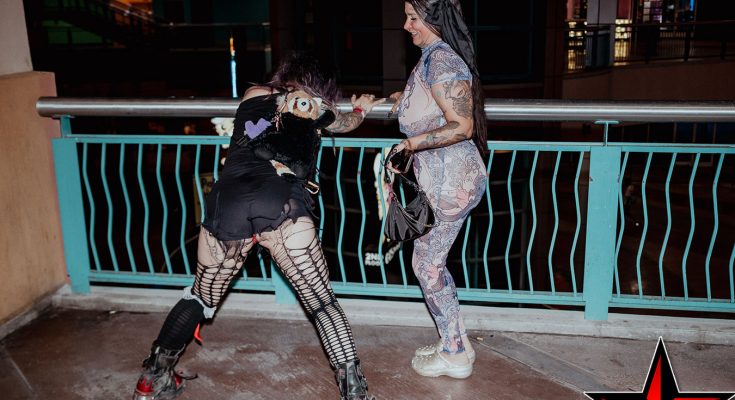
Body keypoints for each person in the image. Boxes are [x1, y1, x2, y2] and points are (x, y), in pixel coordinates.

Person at [132, 52, 384, 400]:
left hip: (228, 201)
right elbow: (344, 123)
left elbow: (256, 126)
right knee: (322, 302)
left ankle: (152, 378)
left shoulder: (252, 94)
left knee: (201, 295)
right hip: (281, 201)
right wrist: (360, 109)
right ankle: (355, 393)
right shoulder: (311, 102)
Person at [385, 0, 487, 379]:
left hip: (451, 183)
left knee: (427, 266)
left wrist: (409, 144)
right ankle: (457, 341)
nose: (406, 25)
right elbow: (431, 106)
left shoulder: (442, 60)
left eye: (413, 18)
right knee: (431, 263)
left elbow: (462, 125)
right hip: (444, 180)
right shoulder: (432, 58)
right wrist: (402, 103)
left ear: (433, 19)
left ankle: (454, 353)